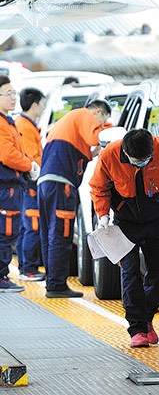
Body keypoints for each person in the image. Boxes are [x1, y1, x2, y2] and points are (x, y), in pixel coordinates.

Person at [89, 129, 159, 348]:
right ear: (125, 151)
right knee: (129, 271)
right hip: (125, 220)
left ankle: (147, 318)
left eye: (146, 160)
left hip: (155, 217)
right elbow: (98, 187)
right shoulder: (109, 155)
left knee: (158, 272)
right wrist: (103, 214)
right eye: (136, 161)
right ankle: (137, 328)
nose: (141, 164)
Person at [38, 99, 112, 298]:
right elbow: (97, 137)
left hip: (47, 183)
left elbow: (84, 148)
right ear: (97, 112)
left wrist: (93, 153)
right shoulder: (84, 114)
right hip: (61, 184)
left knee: (50, 234)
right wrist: (110, 132)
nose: (101, 125)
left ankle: (53, 283)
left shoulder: (68, 122)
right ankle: (56, 285)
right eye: (103, 120)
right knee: (61, 234)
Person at [0, 76, 39, 293]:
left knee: (9, 231)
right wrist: (29, 165)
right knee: (5, 232)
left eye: (14, 93)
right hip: (6, 187)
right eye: (8, 94)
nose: (13, 98)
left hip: (12, 186)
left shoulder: (8, 121)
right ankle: (1, 276)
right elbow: (8, 155)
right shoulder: (1, 123)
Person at [15, 87, 46, 281]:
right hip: (31, 182)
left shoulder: (25, 124)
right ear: (34, 105)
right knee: (32, 225)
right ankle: (28, 268)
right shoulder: (24, 127)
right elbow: (31, 157)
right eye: (42, 105)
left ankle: (25, 266)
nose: (42, 109)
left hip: (28, 182)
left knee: (26, 226)